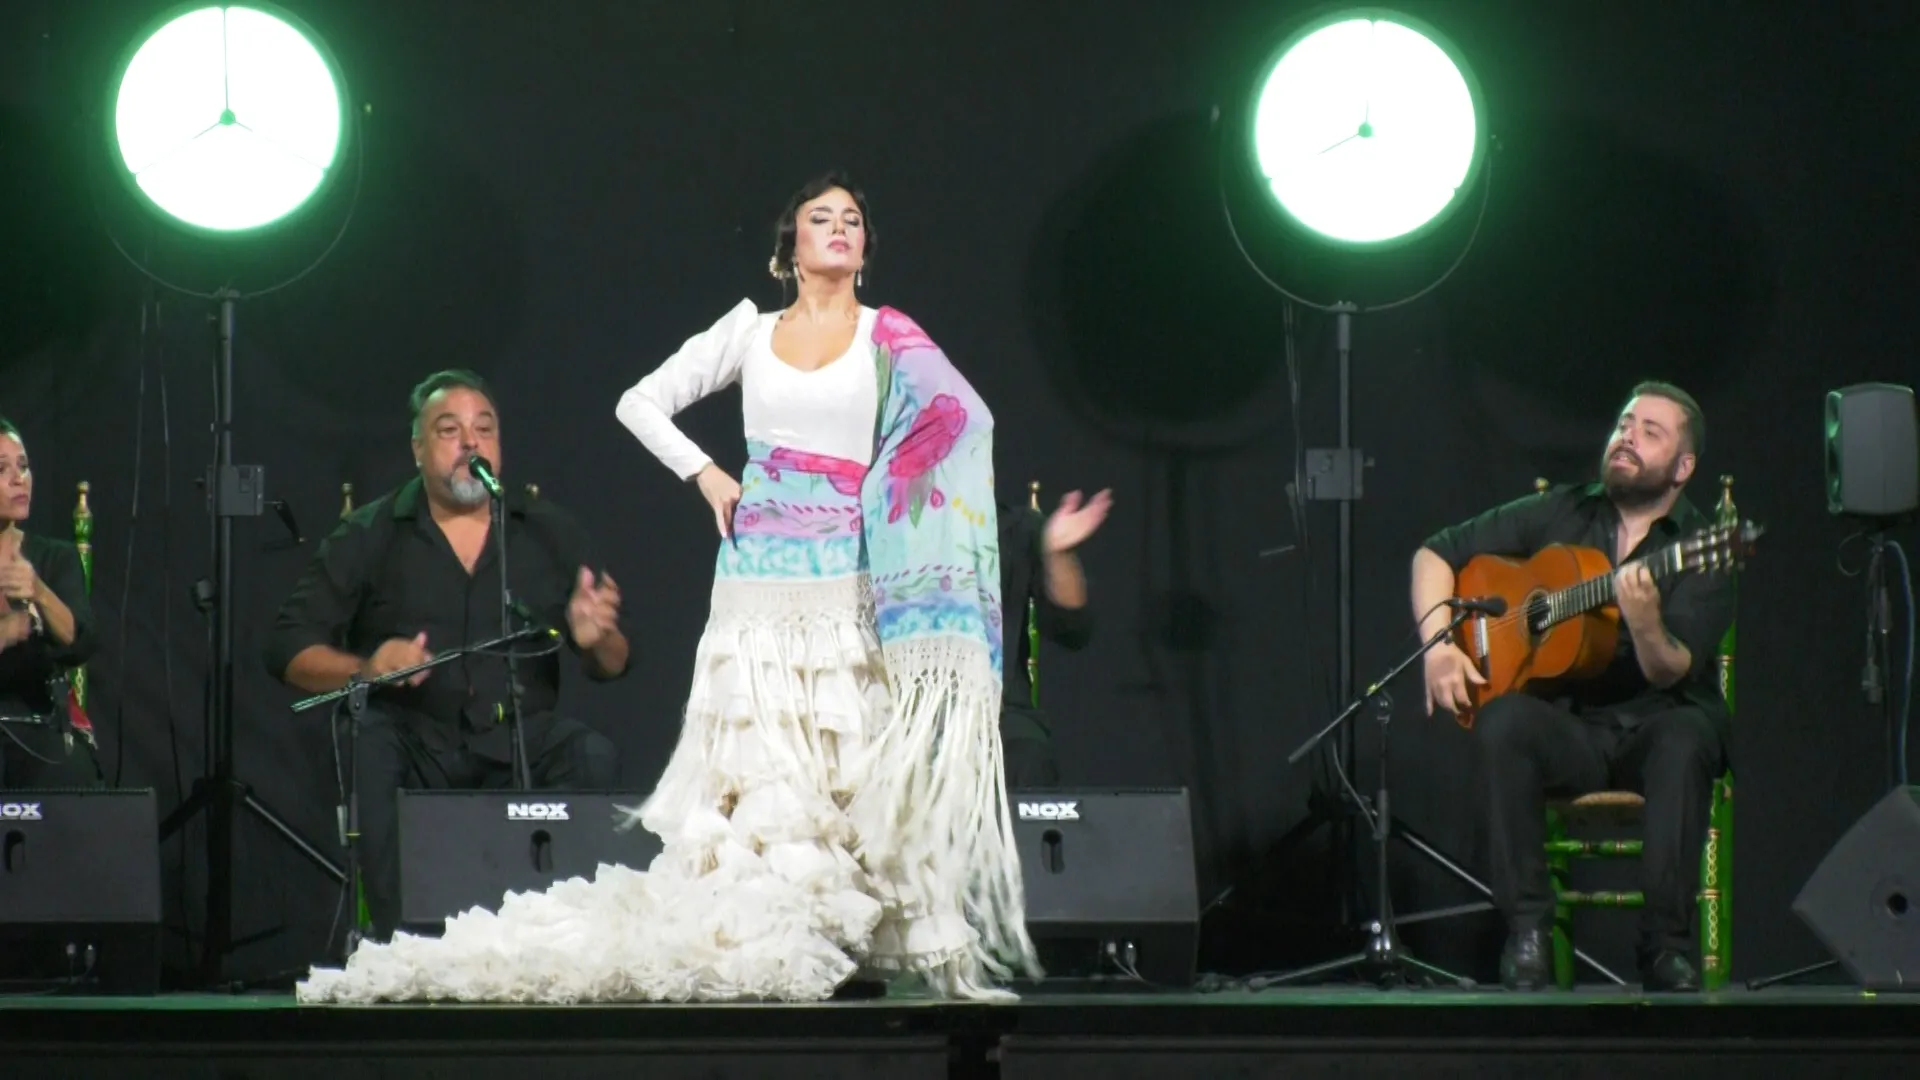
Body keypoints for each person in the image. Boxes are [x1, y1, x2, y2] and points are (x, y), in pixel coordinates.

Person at [294, 173, 1033, 1006]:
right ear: (787, 244)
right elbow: (638, 402)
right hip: (758, 584)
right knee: (768, 775)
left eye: (853, 219)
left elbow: (963, 421)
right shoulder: (751, 334)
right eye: (820, 218)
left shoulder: (889, 336)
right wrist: (710, 474)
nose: (839, 229)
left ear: (867, 245)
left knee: (848, 752)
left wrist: (883, 495)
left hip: (849, 573)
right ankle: (773, 941)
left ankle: (848, 942)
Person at [264, 370, 627, 945]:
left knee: (590, 753)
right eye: (450, 430)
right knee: (370, 744)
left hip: (519, 738)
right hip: (415, 738)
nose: (471, 443)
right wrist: (367, 669)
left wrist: (596, 636)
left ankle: (569, 943)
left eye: (484, 429)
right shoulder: (370, 533)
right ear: (417, 448)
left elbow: (612, 662)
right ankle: (397, 948)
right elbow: (285, 649)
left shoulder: (546, 531)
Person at [1411, 381, 1733, 993]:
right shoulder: (1563, 510)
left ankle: (1665, 948)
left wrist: (1643, 620)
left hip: (1658, 724)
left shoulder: (1702, 549)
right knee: (1503, 721)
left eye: (1649, 432)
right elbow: (1436, 552)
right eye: (1625, 424)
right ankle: (1528, 932)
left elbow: (1671, 669)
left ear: (1682, 467)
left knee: (1688, 737)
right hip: (1575, 729)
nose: (1627, 438)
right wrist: (1439, 646)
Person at [0, 418, 100, 788]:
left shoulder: (54, 558)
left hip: (37, 720)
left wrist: (39, 591)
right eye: (2, 468)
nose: (18, 479)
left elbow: (82, 643)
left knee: (72, 780)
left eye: (23, 466)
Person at [999, 487, 1111, 787]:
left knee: (1027, 752)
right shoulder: (890, 521)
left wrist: (1058, 554)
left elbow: (1072, 629)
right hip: (896, 707)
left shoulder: (1014, 527)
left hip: (997, 713)